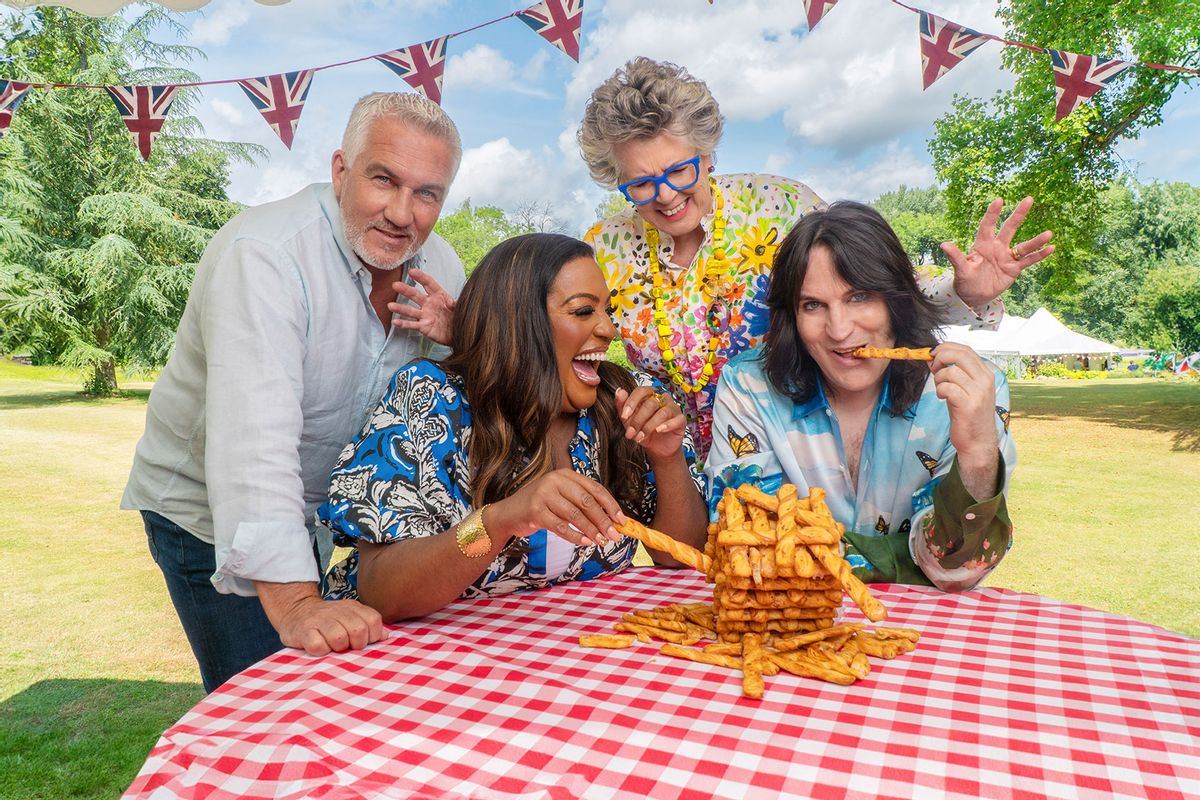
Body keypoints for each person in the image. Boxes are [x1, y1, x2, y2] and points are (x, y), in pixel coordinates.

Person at [122, 92, 467, 693]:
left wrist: (461, 337)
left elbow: (458, 401)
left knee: (335, 692)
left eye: (427, 193)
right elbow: (253, 445)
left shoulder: (442, 266)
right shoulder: (265, 257)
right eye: (383, 179)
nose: (401, 212)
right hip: (205, 513)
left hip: (320, 515)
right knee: (264, 698)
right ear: (340, 171)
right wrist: (298, 605)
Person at [578, 57, 1054, 458]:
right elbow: (573, 340)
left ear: (706, 155)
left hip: (794, 457)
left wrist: (964, 291)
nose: (665, 196)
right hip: (674, 463)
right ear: (614, 178)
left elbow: (876, 288)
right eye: (640, 183)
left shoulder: (777, 204)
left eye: (679, 171)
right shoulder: (604, 249)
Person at [319, 233, 708, 618]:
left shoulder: (621, 399)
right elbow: (382, 592)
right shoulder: (431, 400)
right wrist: (501, 519)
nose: (608, 329)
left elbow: (679, 557)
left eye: (607, 310)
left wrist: (667, 457)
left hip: (566, 659)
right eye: (583, 311)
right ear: (520, 322)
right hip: (423, 665)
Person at [706, 202, 1017, 592]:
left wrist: (978, 457)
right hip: (790, 629)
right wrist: (901, 559)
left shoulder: (973, 389)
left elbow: (954, 567)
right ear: (791, 317)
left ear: (897, 300)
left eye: (860, 297)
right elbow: (749, 544)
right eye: (813, 305)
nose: (839, 330)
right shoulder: (747, 386)